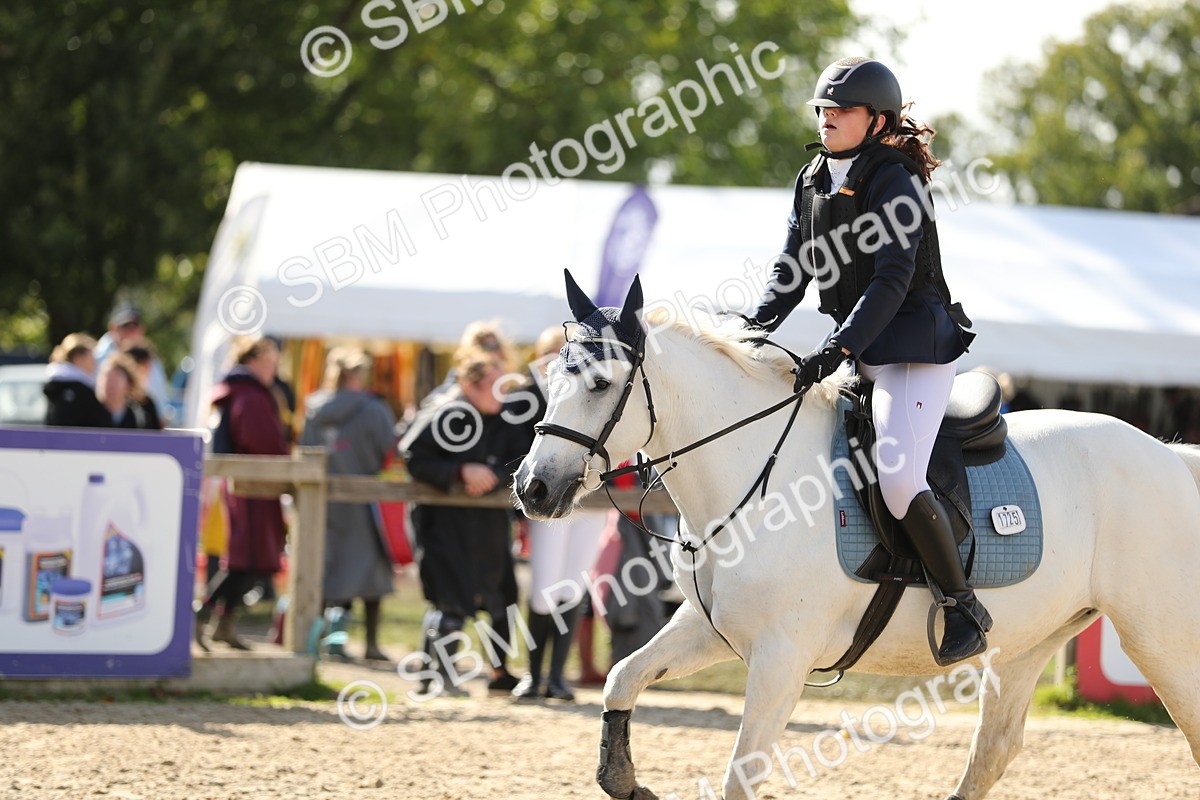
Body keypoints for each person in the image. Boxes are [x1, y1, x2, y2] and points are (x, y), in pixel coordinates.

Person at [749, 57, 988, 667]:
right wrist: (755, 323)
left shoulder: (897, 181)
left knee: (900, 476)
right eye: (823, 110)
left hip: (910, 352)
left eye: (841, 111)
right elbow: (792, 264)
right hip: (862, 349)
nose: (827, 119)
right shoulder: (812, 176)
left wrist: (838, 348)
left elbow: (891, 280)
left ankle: (961, 605)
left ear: (875, 120)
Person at [400, 353, 525, 696]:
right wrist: (460, 472)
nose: (502, 393)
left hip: (488, 525)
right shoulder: (446, 411)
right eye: (493, 386)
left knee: (502, 596)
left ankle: (500, 674)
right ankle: (435, 679)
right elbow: (413, 456)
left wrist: (494, 476)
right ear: (470, 386)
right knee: (449, 600)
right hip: (444, 525)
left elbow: (521, 457)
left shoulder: (505, 417)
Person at [509, 326, 609, 701]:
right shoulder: (526, 394)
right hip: (547, 496)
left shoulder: (590, 389)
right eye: (553, 350)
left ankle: (557, 675)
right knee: (543, 587)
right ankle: (533, 674)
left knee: (573, 584)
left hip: (589, 501)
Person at [298, 347, 397, 661]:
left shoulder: (314, 409)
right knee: (371, 573)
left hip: (322, 501)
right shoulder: (373, 409)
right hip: (363, 500)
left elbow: (304, 450)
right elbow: (389, 449)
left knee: (330, 570)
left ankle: (331, 640)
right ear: (357, 375)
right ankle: (370, 643)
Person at [195, 336, 290, 651]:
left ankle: (223, 623)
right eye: (268, 361)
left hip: (253, 487)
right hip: (250, 487)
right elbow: (260, 441)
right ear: (252, 360)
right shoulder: (249, 397)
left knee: (252, 561)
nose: (273, 368)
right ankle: (202, 614)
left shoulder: (248, 393)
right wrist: (283, 457)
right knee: (243, 560)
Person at [94, 302, 170, 418]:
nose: (131, 332)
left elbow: (159, 400)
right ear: (113, 328)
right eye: (125, 327)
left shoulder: (152, 361)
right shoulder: (98, 357)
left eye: (135, 327)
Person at [43, 333, 111, 428]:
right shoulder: (81, 392)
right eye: (91, 358)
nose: (95, 364)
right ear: (78, 359)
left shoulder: (57, 387)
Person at [97, 352, 161, 429]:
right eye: (108, 379)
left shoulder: (139, 416)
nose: (111, 385)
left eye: (116, 380)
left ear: (128, 384)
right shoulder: (89, 414)